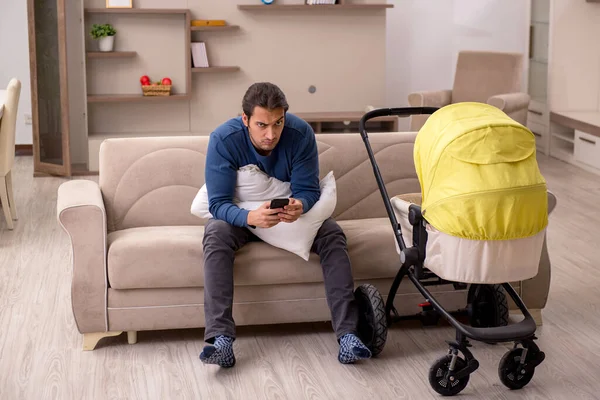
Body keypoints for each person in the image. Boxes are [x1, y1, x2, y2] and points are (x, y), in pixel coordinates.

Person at [200, 82, 371, 368]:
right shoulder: (223, 139)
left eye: (278, 123)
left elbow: (308, 190)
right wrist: (249, 217)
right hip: (243, 219)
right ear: (245, 120)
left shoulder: (300, 133)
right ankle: (221, 340)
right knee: (215, 231)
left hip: (287, 218)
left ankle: (348, 337)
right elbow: (217, 204)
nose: (271, 134)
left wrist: (300, 205)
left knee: (331, 233)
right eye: (261, 125)